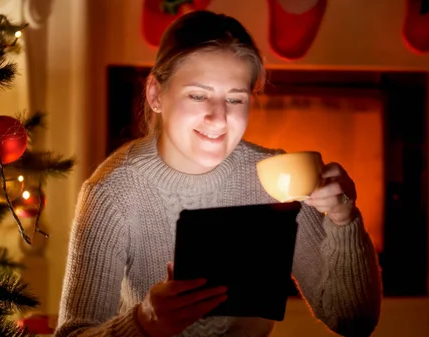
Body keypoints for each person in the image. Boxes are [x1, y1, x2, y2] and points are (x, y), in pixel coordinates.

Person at [55, 10, 382, 337]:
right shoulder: (112, 191)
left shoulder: (276, 178)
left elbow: (353, 322)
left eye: (235, 99)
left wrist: (343, 218)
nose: (218, 118)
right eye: (198, 95)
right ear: (155, 94)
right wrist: (143, 323)